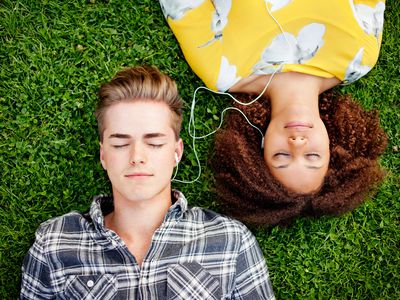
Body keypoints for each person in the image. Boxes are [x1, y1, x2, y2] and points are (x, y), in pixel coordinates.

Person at [20, 66, 275, 299]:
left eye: (154, 143)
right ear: (103, 155)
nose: (137, 157)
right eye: (120, 144)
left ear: (176, 153)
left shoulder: (231, 241)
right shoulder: (54, 243)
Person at [160, 1, 388, 225]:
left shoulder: (221, 70)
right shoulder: (359, 57)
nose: (297, 143)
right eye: (312, 156)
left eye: (281, 156)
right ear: (333, 146)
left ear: (260, 147)